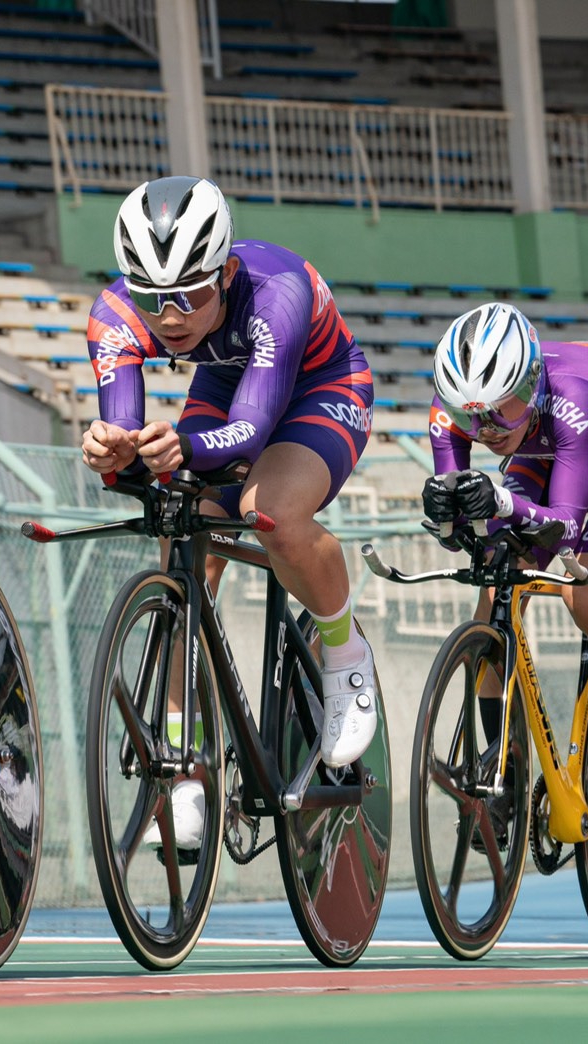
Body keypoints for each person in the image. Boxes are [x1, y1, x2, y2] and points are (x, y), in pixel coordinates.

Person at [81, 175, 381, 849]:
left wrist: (178, 445)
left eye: (190, 293)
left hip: (321, 385)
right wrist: (112, 445)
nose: (170, 316)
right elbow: (127, 434)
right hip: (226, 382)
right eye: (154, 297)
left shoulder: (277, 291)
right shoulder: (114, 314)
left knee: (266, 508)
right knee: (184, 544)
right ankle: (186, 766)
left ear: (227, 270)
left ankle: (345, 652)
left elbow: (247, 432)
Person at [421, 301, 588, 836]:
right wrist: (449, 518)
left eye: (501, 410)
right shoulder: (454, 413)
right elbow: (460, 533)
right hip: (544, 453)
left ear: (533, 384)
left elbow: (561, 527)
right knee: (494, 589)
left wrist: (501, 505)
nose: (486, 430)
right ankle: (503, 764)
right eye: (472, 416)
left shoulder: (572, 398)